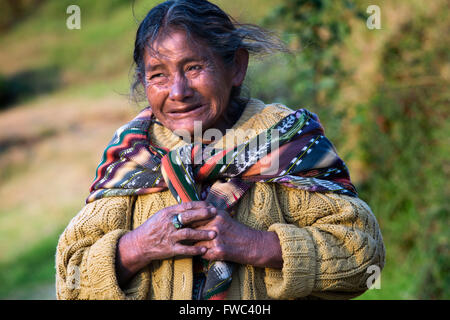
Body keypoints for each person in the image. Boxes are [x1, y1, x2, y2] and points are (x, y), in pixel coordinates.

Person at [56, 0, 385, 300]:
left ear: (236, 67)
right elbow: (69, 282)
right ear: (144, 83)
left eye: (194, 68)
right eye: (158, 75)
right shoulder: (133, 156)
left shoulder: (286, 143)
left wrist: (255, 245)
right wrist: (138, 246)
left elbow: (363, 255)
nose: (178, 91)